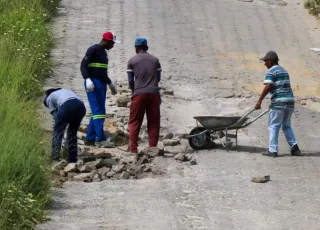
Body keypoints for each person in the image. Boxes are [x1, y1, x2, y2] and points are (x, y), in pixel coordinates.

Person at [255, 51, 301, 157]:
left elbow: (268, 86)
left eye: (265, 61)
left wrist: (259, 101)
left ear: (270, 61)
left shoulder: (271, 71)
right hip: (289, 102)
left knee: (273, 126)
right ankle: (295, 147)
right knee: (286, 125)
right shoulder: (284, 70)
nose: (264, 63)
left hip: (279, 102)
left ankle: (273, 150)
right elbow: (281, 87)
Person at [80, 31, 119, 148]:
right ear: (106, 41)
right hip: (93, 84)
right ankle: (100, 139)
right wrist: (87, 79)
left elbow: (102, 72)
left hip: (101, 84)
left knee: (99, 111)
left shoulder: (103, 53)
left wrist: (110, 83)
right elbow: (83, 66)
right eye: (112, 43)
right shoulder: (93, 50)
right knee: (98, 112)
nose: (113, 46)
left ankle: (90, 138)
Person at [127, 38, 162, 153]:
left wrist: (134, 91)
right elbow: (158, 78)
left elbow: (131, 81)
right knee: (153, 121)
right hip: (154, 93)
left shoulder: (132, 61)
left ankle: (133, 149)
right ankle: (152, 148)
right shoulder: (155, 60)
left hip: (139, 94)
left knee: (134, 122)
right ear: (146, 47)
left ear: (136, 48)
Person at [43, 88, 86, 163]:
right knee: (72, 134)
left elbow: (56, 117)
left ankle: (54, 159)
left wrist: (61, 128)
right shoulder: (65, 91)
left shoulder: (49, 98)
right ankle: (73, 160)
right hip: (81, 107)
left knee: (57, 133)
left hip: (67, 105)